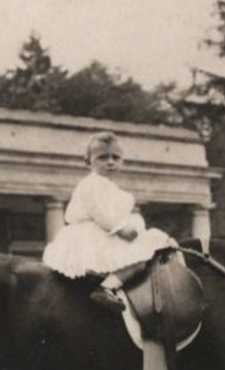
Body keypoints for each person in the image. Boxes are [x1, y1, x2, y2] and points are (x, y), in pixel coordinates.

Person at [43, 131, 175, 312]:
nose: (110, 162)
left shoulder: (109, 187)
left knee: (150, 245)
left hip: (104, 231)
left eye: (115, 157)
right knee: (139, 261)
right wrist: (120, 228)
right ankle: (107, 287)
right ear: (88, 161)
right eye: (102, 158)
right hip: (94, 233)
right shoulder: (92, 183)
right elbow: (99, 212)